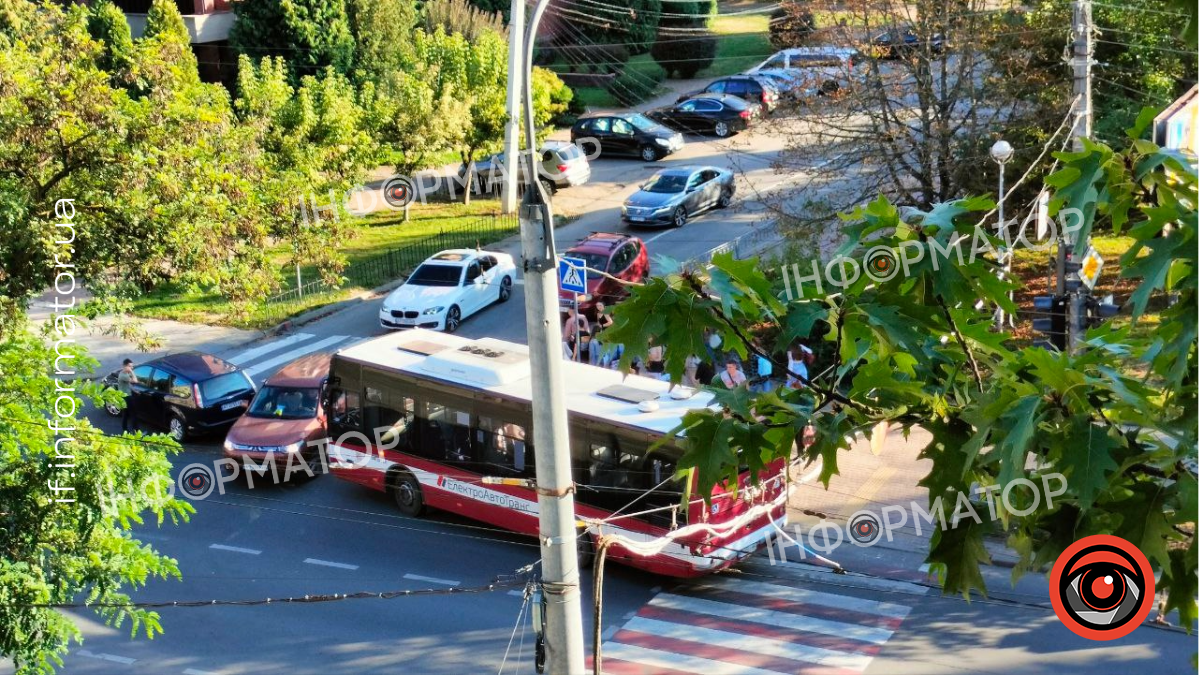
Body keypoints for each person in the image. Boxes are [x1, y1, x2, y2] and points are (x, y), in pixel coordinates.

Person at [117, 359, 139, 432]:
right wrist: (132, 372)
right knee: (133, 414)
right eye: (130, 366)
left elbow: (128, 384)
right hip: (126, 397)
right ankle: (136, 431)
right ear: (124, 366)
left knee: (125, 414)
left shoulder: (125, 373)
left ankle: (125, 430)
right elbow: (135, 381)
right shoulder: (123, 375)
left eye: (132, 367)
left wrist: (134, 390)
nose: (131, 368)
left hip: (124, 395)